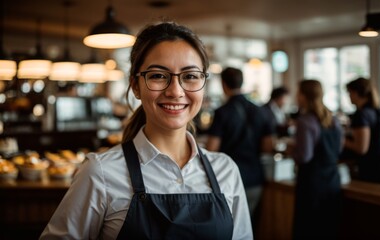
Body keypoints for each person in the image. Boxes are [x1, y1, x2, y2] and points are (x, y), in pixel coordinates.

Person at [40, 22, 252, 240]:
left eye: (189, 76)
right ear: (135, 86)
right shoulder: (99, 173)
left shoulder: (225, 170)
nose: (176, 91)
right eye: (158, 76)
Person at [205, 67, 274, 232]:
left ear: (223, 84)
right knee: (249, 227)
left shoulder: (222, 112)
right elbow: (268, 146)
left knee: (229, 229)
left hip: (227, 178)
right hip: (255, 175)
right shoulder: (260, 111)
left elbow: (211, 149)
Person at [291, 79, 343, 240]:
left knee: (308, 229)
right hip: (333, 180)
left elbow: (305, 156)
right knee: (327, 228)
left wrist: (290, 150)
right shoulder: (333, 120)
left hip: (312, 183)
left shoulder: (305, 121)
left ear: (303, 96)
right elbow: (339, 149)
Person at [344, 77, 380, 185]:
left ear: (356, 93)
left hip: (371, 171)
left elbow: (361, 148)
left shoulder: (361, 115)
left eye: (349, 93)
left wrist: (342, 140)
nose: (349, 96)